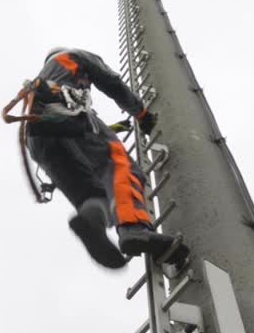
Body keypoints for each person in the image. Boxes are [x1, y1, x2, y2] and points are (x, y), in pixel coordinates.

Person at [22, 47, 187, 269]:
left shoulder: (40, 84)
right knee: (119, 166)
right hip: (66, 116)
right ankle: (135, 230)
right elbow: (110, 82)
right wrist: (141, 114)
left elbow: (82, 138)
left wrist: (118, 127)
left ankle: (93, 219)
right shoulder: (71, 56)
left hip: (36, 136)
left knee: (92, 194)